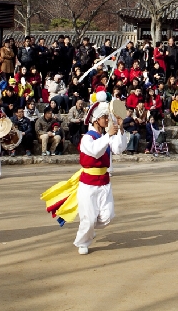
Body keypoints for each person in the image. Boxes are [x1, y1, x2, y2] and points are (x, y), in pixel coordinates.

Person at [41, 90, 127, 255]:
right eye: (104, 117)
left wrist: (121, 129)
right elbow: (95, 151)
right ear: (96, 119)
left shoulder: (106, 136)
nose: (107, 119)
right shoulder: (87, 138)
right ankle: (82, 242)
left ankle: (90, 228)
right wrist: (108, 135)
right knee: (88, 219)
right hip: (88, 184)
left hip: (104, 182)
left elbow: (118, 148)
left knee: (108, 216)